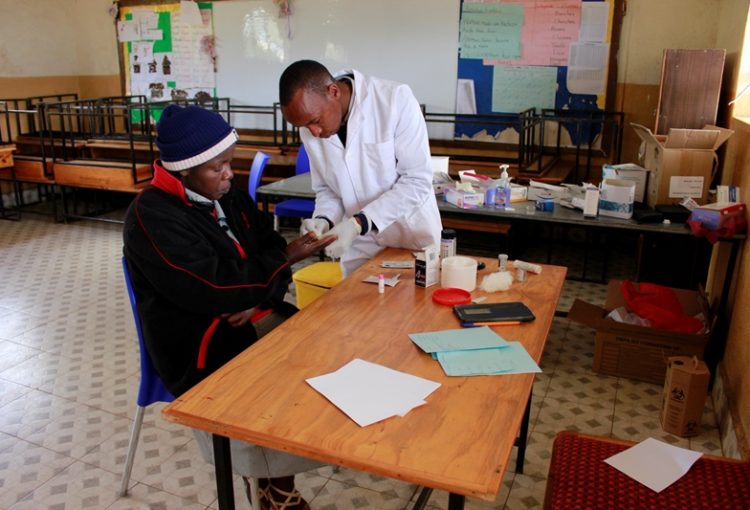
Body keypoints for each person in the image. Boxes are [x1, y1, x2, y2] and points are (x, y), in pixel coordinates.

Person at [123, 104, 333, 510]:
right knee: (280, 381)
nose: (228, 174)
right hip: (197, 344)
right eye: (216, 167)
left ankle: (275, 476)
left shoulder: (225, 197)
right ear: (184, 171)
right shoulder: (151, 217)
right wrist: (282, 262)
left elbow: (267, 246)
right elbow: (214, 287)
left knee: (321, 350)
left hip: (250, 313)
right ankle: (274, 489)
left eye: (229, 162)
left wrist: (258, 293)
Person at [279, 59, 443, 275]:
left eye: (316, 121)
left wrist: (359, 222)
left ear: (334, 92)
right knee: (355, 297)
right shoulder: (310, 129)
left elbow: (416, 181)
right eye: (304, 126)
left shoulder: (394, 100)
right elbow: (328, 189)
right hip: (361, 245)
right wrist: (324, 219)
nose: (314, 132)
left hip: (410, 236)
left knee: (413, 296)